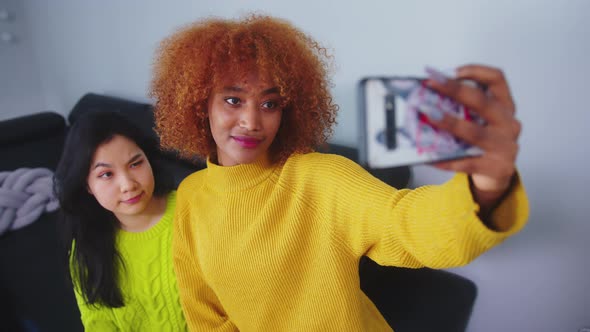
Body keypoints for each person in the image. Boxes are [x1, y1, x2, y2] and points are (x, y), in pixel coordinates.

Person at [149, 14, 529, 331]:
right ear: (201, 104)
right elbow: (206, 317)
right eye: (233, 100)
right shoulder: (191, 197)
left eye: (270, 103)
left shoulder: (319, 177)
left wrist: (488, 185)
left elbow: (407, 225)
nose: (251, 121)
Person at [53, 111, 187, 331]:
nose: (128, 184)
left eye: (135, 164)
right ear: (87, 185)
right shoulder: (86, 246)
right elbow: (98, 324)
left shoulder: (192, 210)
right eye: (106, 174)